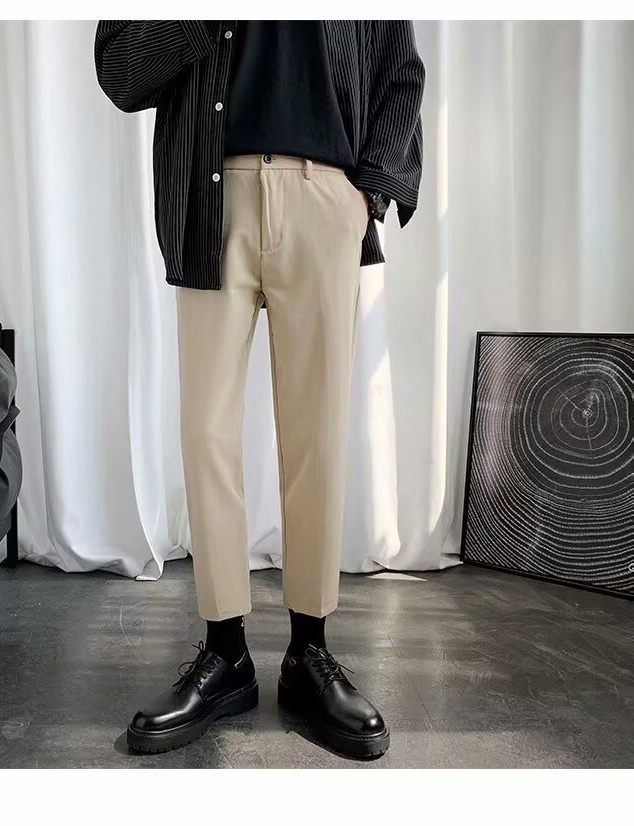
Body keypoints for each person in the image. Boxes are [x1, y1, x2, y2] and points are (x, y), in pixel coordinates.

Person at [94, 20, 425, 759]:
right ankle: (225, 653)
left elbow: (400, 70)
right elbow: (121, 71)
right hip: (211, 197)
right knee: (205, 432)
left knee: (318, 433)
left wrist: (368, 195)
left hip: (325, 194)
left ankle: (310, 652)